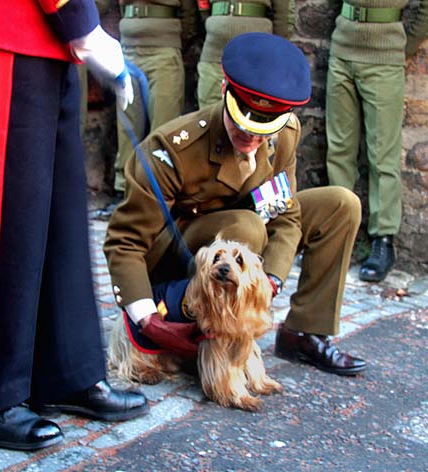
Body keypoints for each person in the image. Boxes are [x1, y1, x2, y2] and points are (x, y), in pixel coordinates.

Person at [0, 0, 148, 452]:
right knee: (4, 210)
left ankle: (66, 371)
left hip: (40, 29)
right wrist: (81, 22)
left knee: (58, 205)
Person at [104, 32, 367, 377]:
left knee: (341, 204)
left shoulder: (285, 134)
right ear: (226, 91)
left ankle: (303, 332)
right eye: (242, 127)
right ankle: (210, 326)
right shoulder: (174, 149)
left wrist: (268, 281)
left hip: (243, 245)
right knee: (248, 226)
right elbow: (125, 242)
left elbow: (285, 214)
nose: (252, 139)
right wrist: (148, 320)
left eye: (263, 132)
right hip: (181, 259)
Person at [325, 0, 428, 282]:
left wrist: (400, 47)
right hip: (342, 50)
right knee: (339, 149)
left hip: (385, 58)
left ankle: (383, 241)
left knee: (382, 156)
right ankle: (335, 235)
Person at [113, 0, 199, 196]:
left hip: (164, 50)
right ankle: (125, 190)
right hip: (128, 47)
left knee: (164, 126)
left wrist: (169, 36)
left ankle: (160, 192)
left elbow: (190, 16)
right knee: (127, 126)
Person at [196, 0, 294, 108]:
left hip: (256, 50)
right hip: (214, 48)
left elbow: (284, 14)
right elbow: (202, 6)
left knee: (253, 106)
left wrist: (273, 48)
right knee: (209, 106)